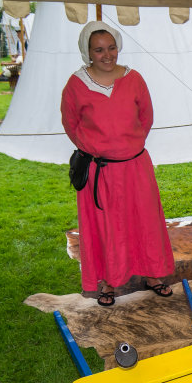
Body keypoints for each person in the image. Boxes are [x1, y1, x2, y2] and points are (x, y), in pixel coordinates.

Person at [60, 21, 175, 306]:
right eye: (99, 50)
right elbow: (71, 124)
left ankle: (153, 275)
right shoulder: (76, 85)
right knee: (104, 226)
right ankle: (107, 281)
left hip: (135, 167)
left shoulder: (134, 79)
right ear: (88, 51)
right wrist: (99, 150)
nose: (107, 55)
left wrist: (127, 148)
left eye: (111, 47)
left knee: (144, 221)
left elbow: (146, 118)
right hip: (101, 173)